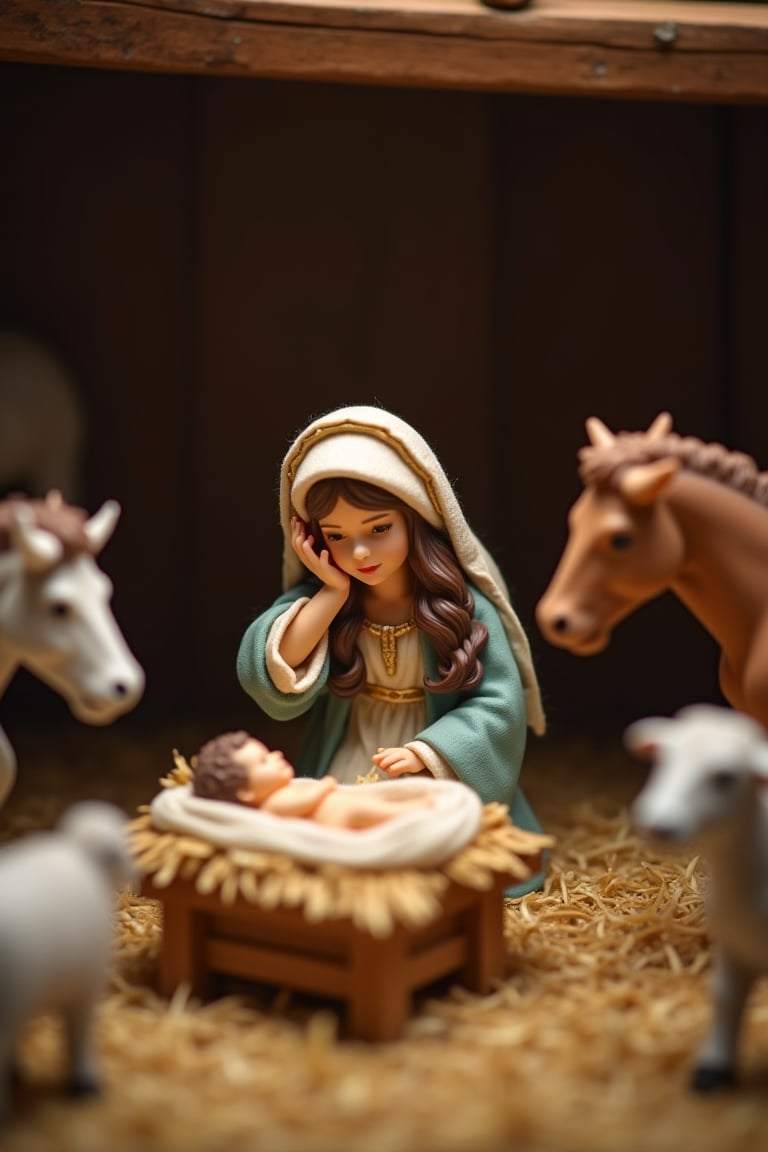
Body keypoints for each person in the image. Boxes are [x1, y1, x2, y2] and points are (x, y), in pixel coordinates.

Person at [236, 404, 546, 893]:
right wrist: (332, 593)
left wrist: (429, 752)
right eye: (337, 536)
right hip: (353, 750)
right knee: (332, 843)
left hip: (432, 757)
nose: (360, 553)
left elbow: (498, 705)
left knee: (430, 853)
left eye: (379, 529)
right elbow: (267, 672)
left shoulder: (462, 608)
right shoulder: (324, 602)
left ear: (416, 518)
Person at [192, 729, 435, 829]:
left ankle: (410, 810)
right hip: (339, 818)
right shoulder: (272, 806)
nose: (276, 755)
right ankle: (413, 813)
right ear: (246, 792)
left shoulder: (282, 791)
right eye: (264, 761)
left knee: (373, 808)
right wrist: (325, 787)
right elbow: (301, 804)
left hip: (341, 808)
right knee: (370, 813)